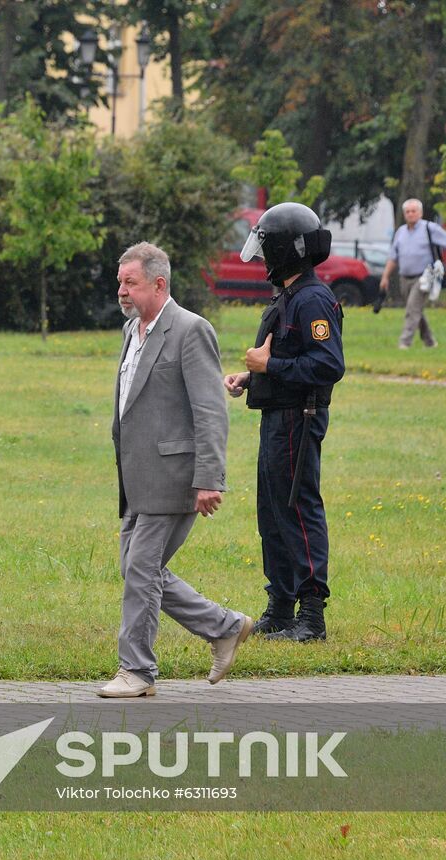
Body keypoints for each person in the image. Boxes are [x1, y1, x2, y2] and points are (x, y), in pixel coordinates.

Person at [98, 243, 253, 698]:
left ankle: (137, 671)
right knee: (137, 569)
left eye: (132, 283)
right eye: (121, 282)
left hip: (175, 475)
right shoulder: (133, 330)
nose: (122, 291)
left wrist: (209, 478)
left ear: (159, 284)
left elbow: (210, 410)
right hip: (137, 476)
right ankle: (224, 628)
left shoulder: (190, 330)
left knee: (142, 572)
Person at [225, 202, 345, 642]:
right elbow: (284, 359)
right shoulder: (289, 295)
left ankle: (311, 617)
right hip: (278, 417)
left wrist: (269, 365)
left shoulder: (312, 299)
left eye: (266, 250)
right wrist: (252, 375)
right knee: (272, 511)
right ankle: (280, 606)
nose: (262, 260)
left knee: (297, 508)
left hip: (299, 418)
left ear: (284, 250)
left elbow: (328, 365)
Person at [379, 198, 446, 349]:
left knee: (412, 309)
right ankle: (430, 341)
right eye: (407, 212)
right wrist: (385, 276)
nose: (410, 214)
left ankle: (404, 342)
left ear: (420, 213)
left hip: (424, 277)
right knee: (415, 310)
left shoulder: (429, 228)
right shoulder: (400, 232)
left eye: (413, 211)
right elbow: (393, 257)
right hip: (404, 277)